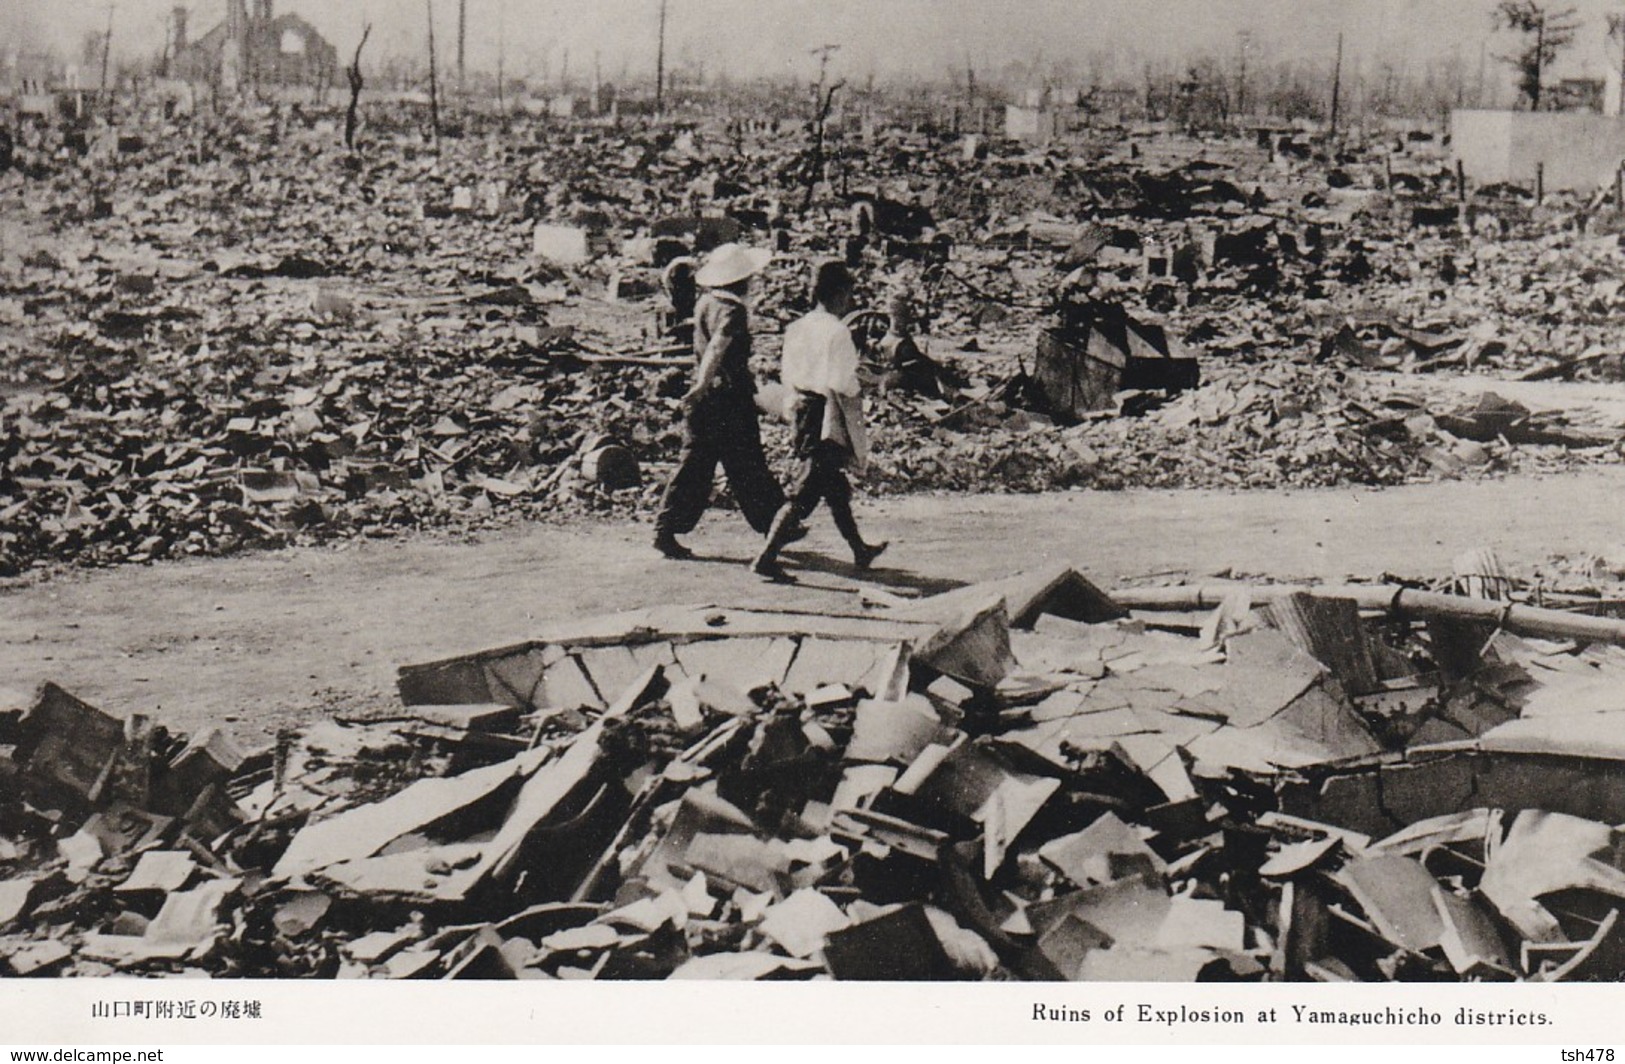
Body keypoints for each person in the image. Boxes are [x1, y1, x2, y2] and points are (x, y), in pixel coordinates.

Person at [652, 243, 793, 560]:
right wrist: (703, 384)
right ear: (742, 281)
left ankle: (772, 522)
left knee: (705, 465)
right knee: (744, 463)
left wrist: (700, 387)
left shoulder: (706, 302)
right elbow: (717, 347)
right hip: (727, 399)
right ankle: (775, 522)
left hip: (710, 400)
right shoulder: (733, 311)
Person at [751, 261, 888, 582]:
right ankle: (766, 557)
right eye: (849, 294)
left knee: (834, 487)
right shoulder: (837, 332)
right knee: (806, 492)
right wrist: (863, 384)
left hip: (801, 409)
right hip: (825, 414)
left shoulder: (796, 328)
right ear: (840, 295)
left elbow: (786, 374)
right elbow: (843, 382)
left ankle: (859, 549)